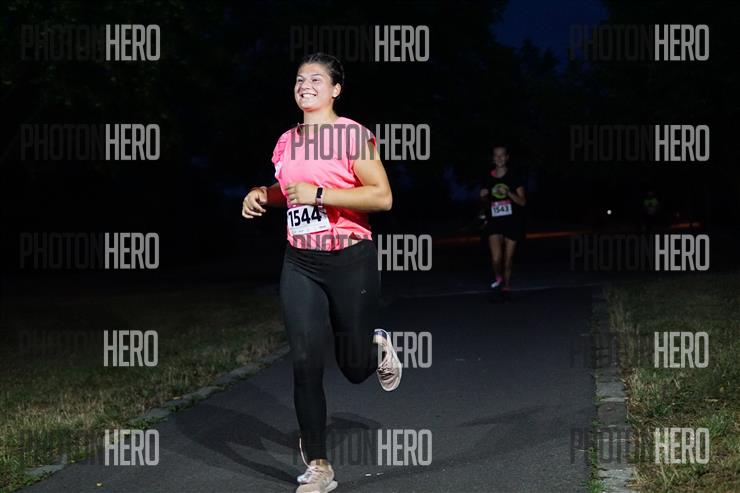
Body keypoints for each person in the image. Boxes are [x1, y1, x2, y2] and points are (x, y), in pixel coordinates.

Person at [241, 52, 402, 493]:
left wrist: (320, 194)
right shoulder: (285, 141)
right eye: (299, 79)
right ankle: (319, 465)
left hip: (351, 260)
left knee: (353, 368)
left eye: (316, 79)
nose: (305, 85)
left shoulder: (354, 135)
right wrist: (261, 194)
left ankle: (376, 348)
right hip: (301, 262)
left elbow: (382, 196)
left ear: (335, 90)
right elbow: (288, 191)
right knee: (305, 360)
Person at [479, 145, 527, 301]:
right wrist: (483, 197)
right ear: (493, 158)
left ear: (507, 158)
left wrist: (509, 193)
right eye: (496, 155)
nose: (499, 158)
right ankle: (498, 277)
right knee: (496, 258)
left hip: (512, 222)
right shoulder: (487, 178)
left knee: (508, 259)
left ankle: (506, 284)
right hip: (494, 222)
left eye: (502, 155)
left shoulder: (514, 177)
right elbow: (485, 201)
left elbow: (522, 202)